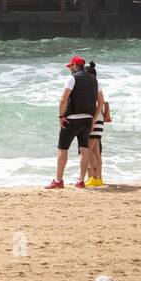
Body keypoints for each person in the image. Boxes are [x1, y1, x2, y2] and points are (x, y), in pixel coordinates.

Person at [47, 55, 97, 189]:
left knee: (62, 149)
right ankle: (81, 180)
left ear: (75, 66)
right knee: (84, 149)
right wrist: (92, 118)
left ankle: (58, 180)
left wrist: (60, 116)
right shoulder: (93, 79)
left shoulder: (72, 78)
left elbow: (64, 99)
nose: (70, 69)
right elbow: (96, 100)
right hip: (87, 119)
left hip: (72, 119)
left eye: (70, 66)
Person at [86, 64, 110, 187]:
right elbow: (104, 103)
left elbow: (99, 104)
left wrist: (93, 120)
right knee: (95, 151)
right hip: (98, 121)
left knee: (88, 150)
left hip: (95, 121)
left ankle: (95, 178)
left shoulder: (92, 86)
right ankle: (98, 178)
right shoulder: (97, 86)